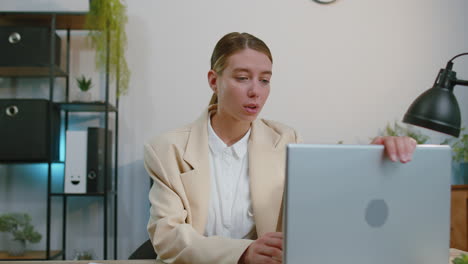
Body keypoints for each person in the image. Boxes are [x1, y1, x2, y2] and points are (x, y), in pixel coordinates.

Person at [143, 32, 416, 264]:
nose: (256, 91)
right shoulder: (168, 148)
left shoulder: (285, 139)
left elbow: (326, 201)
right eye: (242, 78)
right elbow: (167, 236)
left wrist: (372, 160)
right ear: (214, 81)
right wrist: (244, 252)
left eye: (264, 79)